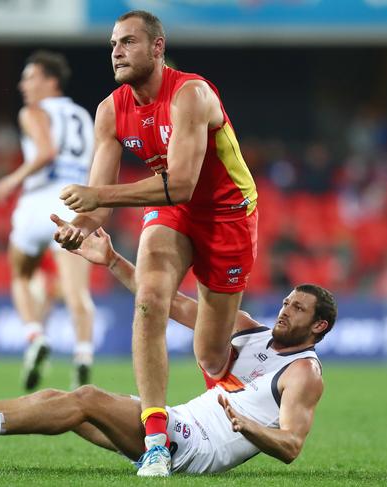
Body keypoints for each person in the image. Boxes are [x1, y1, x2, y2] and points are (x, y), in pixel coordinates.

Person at [0, 229, 337, 477]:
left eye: (297, 309)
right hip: (181, 422)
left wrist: (250, 427)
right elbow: (170, 303)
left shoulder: (304, 373)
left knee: (87, 398)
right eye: (285, 302)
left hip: (197, 447)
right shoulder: (247, 330)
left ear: (318, 326)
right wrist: (113, 261)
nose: (284, 310)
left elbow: (292, 445)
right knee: (73, 407)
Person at [51, 10, 258, 474]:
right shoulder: (111, 110)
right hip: (172, 211)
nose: (116, 52)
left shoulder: (191, 94)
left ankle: (254, 372)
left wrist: (97, 196)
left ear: (157, 48)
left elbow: (183, 182)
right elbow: (99, 208)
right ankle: (157, 440)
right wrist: (79, 226)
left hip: (228, 214)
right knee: (149, 299)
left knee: (210, 351)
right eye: (112, 45)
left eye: (127, 42)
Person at [0, 50, 96, 390]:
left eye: (30, 77)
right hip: (73, 200)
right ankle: (82, 356)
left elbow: (46, 151)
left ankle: (35, 336)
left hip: (38, 200)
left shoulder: (33, 112)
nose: (23, 85)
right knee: (76, 291)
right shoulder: (84, 116)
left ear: (50, 81)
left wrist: (12, 179)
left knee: (20, 274)